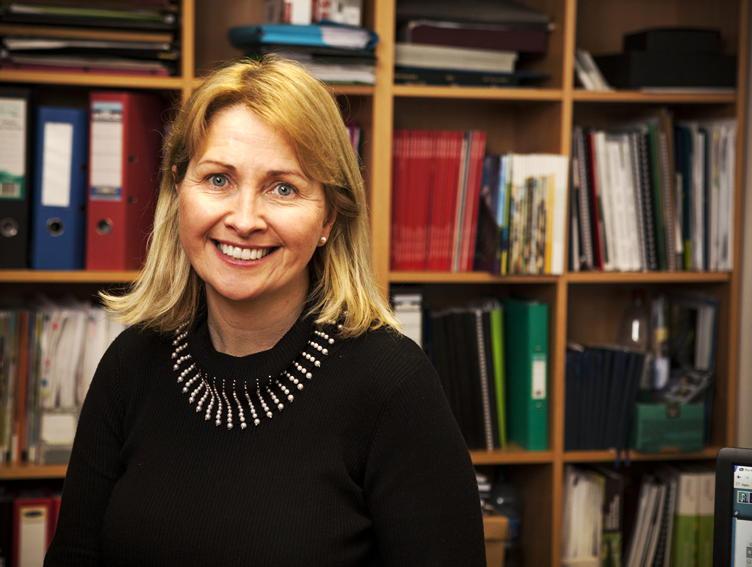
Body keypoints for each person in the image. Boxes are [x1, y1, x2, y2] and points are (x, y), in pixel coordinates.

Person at [44, 56, 485, 566]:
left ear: (328, 217)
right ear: (178, 190)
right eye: (218, 180)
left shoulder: (394, 385)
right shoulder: (130, 363)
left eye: (283, 188)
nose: (245, 219)